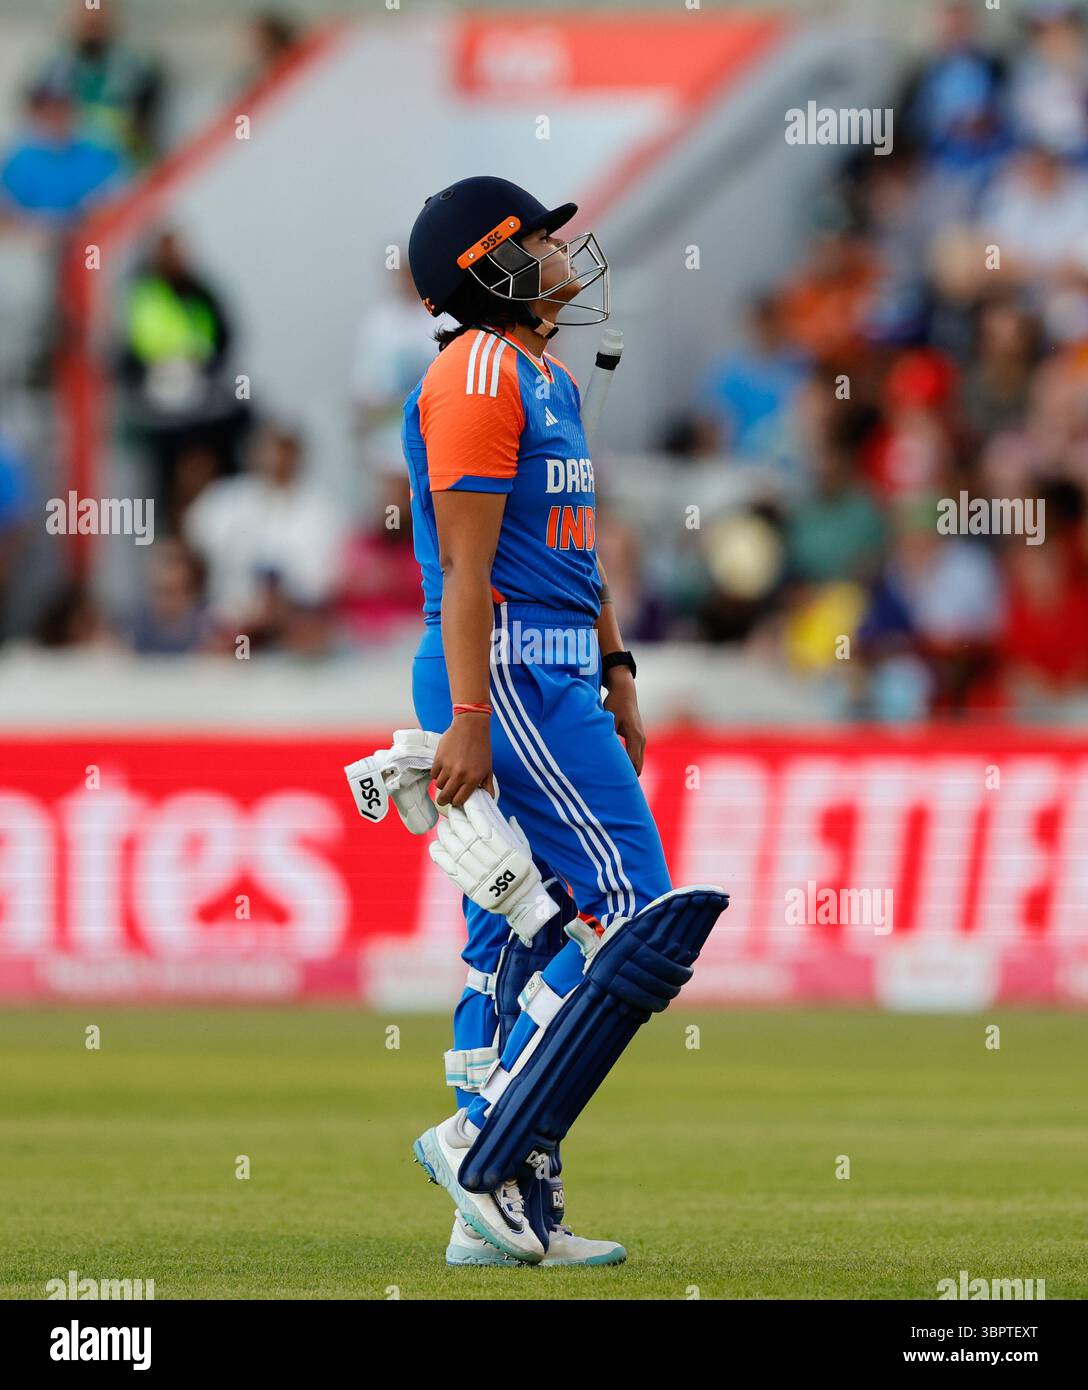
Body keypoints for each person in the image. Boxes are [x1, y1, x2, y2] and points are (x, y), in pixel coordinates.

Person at [398, 176, 728, 1265]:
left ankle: (499, 1217)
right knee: (633, 903)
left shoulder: (542, 376)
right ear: (490, 264)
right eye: (539, 238)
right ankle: (480, 1140)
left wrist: (616, 662)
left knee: (511, 937)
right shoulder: (476, 370)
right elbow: (465, 568)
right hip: (504, 675)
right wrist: (467, 716)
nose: (560, 253)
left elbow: (573, 550)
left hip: (549, 672)